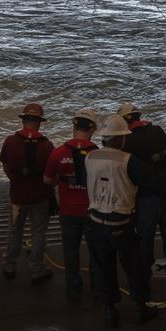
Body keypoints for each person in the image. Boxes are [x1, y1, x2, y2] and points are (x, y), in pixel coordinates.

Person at [85, 115, 166, 327]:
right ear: (121, 139)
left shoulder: (90, 157)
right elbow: (156, 180)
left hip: (95, 221)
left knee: (104, 268)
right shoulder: (127, 160)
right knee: (135, 268)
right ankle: (141, 308)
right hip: (120, 222)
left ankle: (110, 310)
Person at [118, 101, 166, 284]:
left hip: (146, 196)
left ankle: (144, 275)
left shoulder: (126, 140)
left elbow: (127, 170)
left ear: (124, 121)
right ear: (139, 116)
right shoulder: (158, 130)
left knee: (145, 238)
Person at [43, 109, 101, 302]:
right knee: (96, 251)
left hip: (68, 210)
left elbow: (47, 180)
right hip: (92, 210)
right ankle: (97, 288)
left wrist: (63, 180)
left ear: (74, 126)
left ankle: (73, 289)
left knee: (70, 250)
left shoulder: (58, 153)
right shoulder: (97, 155)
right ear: (92, 128)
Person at [0, 102, 55, 283]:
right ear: (39, 122)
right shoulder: (46, 146)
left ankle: (9, 266)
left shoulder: (10, 141)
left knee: (14, 230)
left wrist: (16, 181)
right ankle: (37, 270)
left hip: (17, 196)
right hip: (40, 196)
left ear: (23, 120)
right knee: (38, 232)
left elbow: (6, 167)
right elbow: (51, 174)